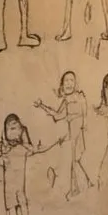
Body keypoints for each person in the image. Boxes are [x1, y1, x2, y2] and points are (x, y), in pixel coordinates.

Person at [34, 70, 92, 199]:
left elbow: (84, 116)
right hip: (72, 136)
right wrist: (42, 106)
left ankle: (79, 187)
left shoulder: (80, 97)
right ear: (62, 84)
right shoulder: (66, 101)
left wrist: (84, 127)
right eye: (66, 81)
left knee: (75, 161)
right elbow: (57, 115)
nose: (69, 83)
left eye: (71, 80)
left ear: (76, 83)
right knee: (74, 162)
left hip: (78, 135)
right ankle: (81, 185)